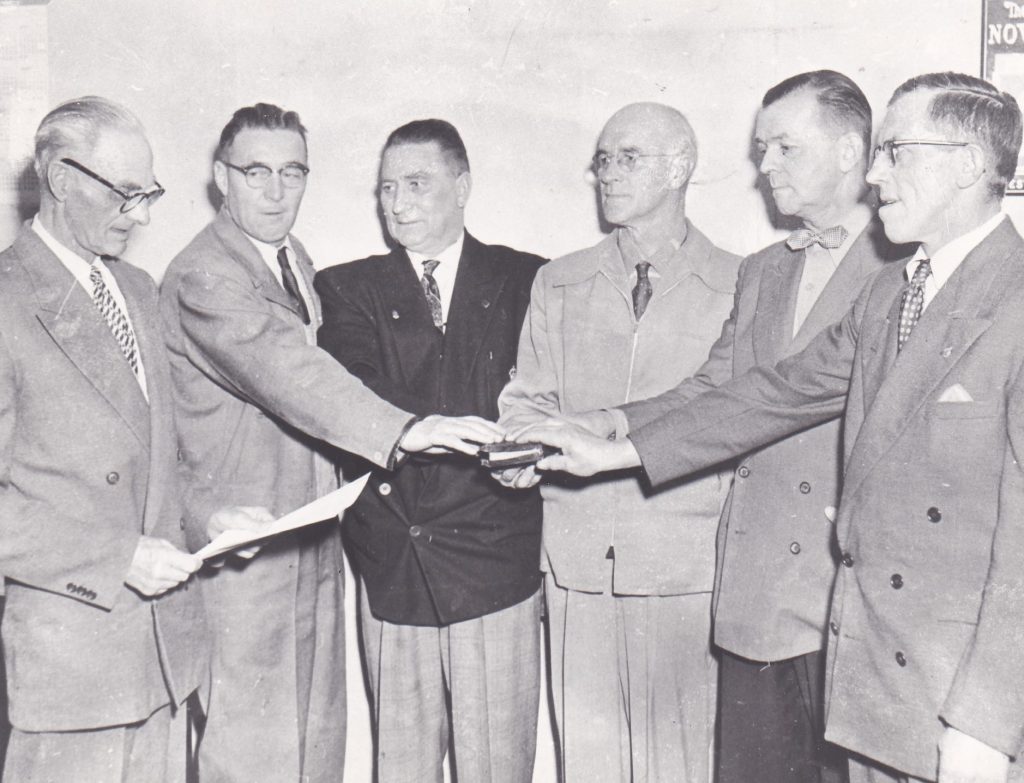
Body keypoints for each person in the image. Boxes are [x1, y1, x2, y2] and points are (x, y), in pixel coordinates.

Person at [520, 72, 1024, 783]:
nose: (876, 173)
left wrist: (986, 721)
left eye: (896, 152)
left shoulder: (1014, 295)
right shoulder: (895, 291)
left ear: (970, 163)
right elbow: (773, 393)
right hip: (878, 672)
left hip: (960, 694)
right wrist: (617, 450)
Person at [572, 70, 905, 783]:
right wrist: (604, 422)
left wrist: (622, 450)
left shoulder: (904, 268)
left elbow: (784, 396)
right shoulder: (763, 270)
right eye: (761, 148)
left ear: (851, 152)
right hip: (758, 596)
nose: (764, 166)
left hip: (844, 598)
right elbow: (713, 387)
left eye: (785, 147)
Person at [161, 104, 503, 783]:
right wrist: (406, 429)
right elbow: (292, 373)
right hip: (245, 550)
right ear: (219, 178)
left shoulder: (290, 258)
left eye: (292, 171)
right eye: (255, 171)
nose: (275, 189)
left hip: (310, 538)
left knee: (317, 749)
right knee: (252, 755)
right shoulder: (205, 273)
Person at [497, 102, 741, 782]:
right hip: (578, 563)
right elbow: (527, 399)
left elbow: (732, 414)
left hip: (687, 565)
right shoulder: (560, 281)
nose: (608, 173)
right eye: (603, 159)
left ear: (681, 166)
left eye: (628, 157)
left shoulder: (740, 283)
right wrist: (518, 452)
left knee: (683, 762)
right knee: (589, 762)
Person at [315, 118, 545, 782]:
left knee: (497, 766)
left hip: (496, 562)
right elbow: (360, 396)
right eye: (387, 188)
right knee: (403, 767)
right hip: (395, 564)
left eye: (417, 183)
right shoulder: (345, 289)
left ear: (463, 185)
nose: (398, 203)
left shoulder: (528, 279)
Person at [0, 96, 206, 782]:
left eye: (149, 194)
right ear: (61, 179)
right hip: (73, 670)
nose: (143, 216)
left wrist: (212, 516)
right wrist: (117, 557)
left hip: (162, 653)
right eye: (126, 195)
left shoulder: (138, 289)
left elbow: (159, 453)